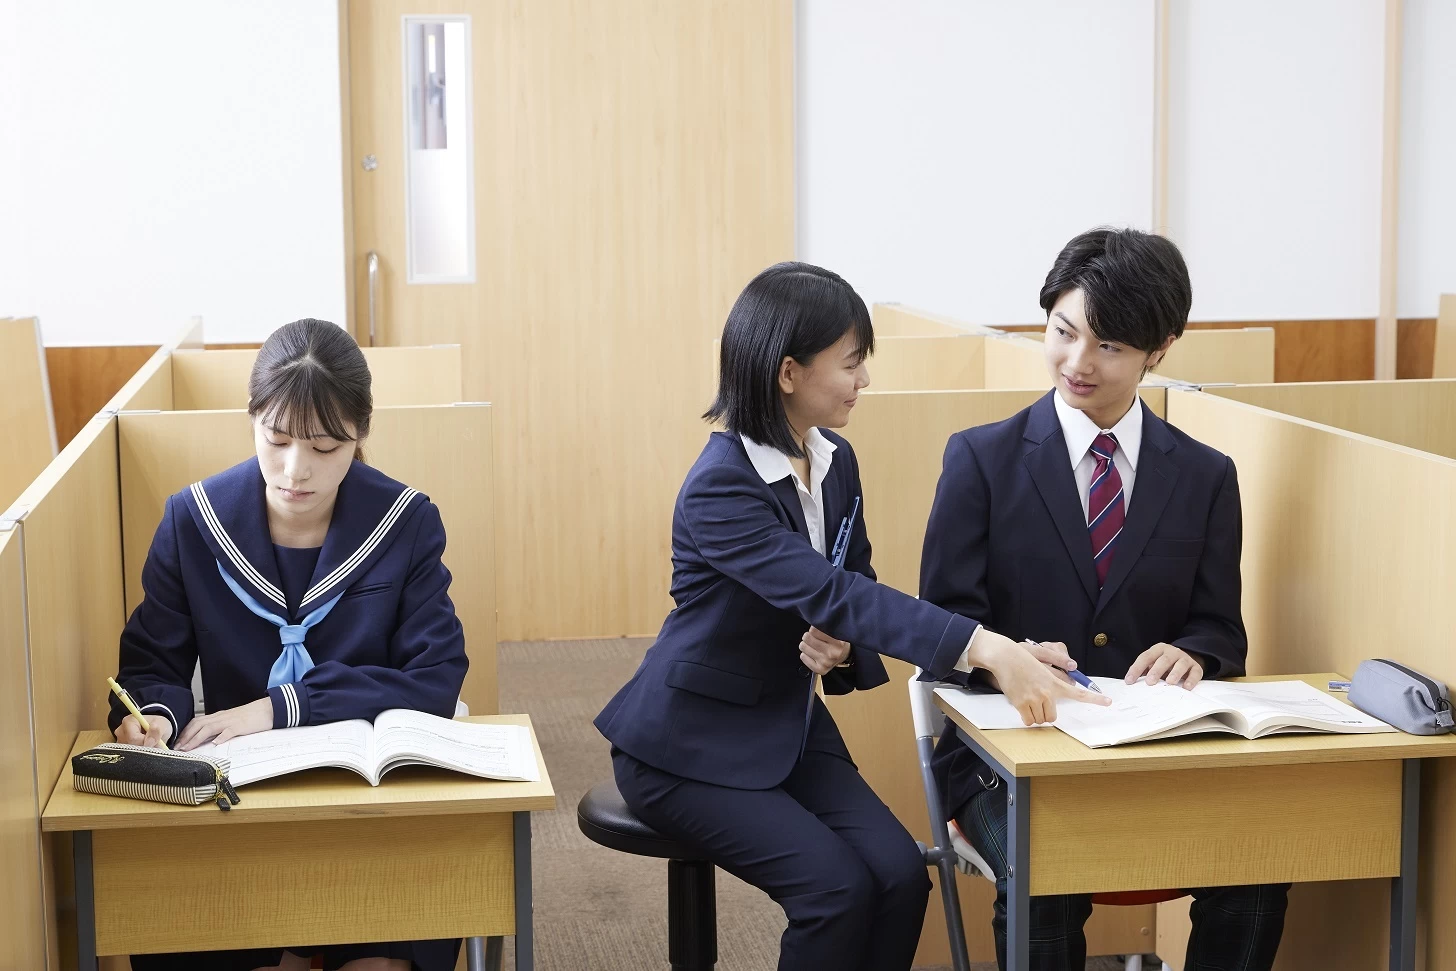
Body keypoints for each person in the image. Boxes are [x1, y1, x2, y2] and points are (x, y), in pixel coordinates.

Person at [594, 261, 1107, 971]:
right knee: (833, 890)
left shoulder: (835, 460)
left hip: (785, 723)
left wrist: (843, 649)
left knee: (899, 875)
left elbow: (852, 586)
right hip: (686, 743)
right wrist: (986, 646)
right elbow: (836, 594)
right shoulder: (719, 487)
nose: (865, 379)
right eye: (852, 362)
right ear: (787, 373)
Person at [924, 228, 1289, 971]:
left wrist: (1195, 652)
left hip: (1156, 759)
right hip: (1005, 761)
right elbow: (941, 631)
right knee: (1046, 870)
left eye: (1111, 347)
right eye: (1063, 332)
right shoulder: (980, 460)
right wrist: (1005, 657)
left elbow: (1221, 628)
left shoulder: (1205, 476)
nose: (1078, 362)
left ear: (1161, 349)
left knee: (1257, 866)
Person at [109, 318, 468, 971]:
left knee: (384, 958)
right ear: (251, 420)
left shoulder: (405, 523)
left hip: (366, 810)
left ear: (361, 434)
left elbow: (435, 677)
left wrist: (277, 707)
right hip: (236, 812)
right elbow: (151, 660)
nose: (295, 470)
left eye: (326, 447)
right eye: (275, 439)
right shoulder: (192, 522)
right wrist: (152, 716)